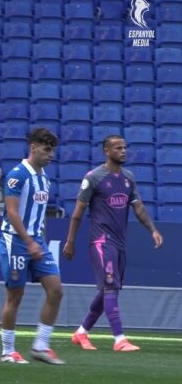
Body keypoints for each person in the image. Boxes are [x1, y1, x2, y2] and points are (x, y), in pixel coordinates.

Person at [63, 135, 163, 352]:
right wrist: (70, 241)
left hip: (119, 243)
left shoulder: (128, 178)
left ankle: (81, 333)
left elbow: (139, 208)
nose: (124, 151)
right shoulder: (94, 177)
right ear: (107, 151)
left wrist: (153, 230)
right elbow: (78, 212)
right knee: (110, 286)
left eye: (125, 147)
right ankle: (119, 339)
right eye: (118, 148)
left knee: (110, 288)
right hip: (101, 241)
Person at [0, 128, 65, 365]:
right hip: (15, 241)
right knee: (15, 295)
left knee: (56, 290)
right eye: (47, 149)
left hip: (37, 241)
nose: (51, 155)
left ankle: (40, 346)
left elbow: (39, 214)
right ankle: (8, 351)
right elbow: (12, 212)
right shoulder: (18, 175)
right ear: (33, 147)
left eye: (53, 150)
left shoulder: (44, 178)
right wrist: (28, 241)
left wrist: (40, 240)